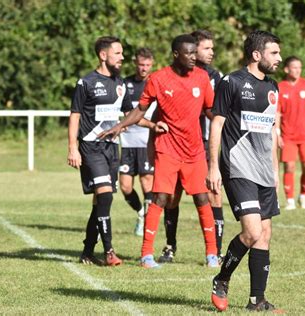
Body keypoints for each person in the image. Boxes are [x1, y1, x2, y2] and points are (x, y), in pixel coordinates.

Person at [100, 34, 218, 269]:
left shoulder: (203, 78)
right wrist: (120, 125)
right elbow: (140, 110)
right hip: (167, 149)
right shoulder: (159, 79)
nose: (195, 57)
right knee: (161, 198)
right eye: (190, 53)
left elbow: (211, 111)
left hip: (194, 151)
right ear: (176, 54)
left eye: (196, 52)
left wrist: (231, 127)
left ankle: (212, 254)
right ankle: (146, 255)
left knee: (202, 198)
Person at [207, 30, 284, 312]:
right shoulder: (233, 82)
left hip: (264, 170)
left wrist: (275, 172)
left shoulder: (273, 87)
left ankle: (257, 300)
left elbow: (271, 133)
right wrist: (213, 167)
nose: (279, 58)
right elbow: (216, 124)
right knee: (251, 232)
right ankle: (222, 278)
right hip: (238, 167)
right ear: (256, 55)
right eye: (274, 53)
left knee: (264, 234)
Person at [159, 29, 225, 265]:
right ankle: (170, 246)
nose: (211, 52)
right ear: (192, 51)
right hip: (181, 144)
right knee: (172, 196)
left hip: (209, 144)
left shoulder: (216, 76)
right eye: (207, 48)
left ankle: (215, 251)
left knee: (214, 194)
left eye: (211, 48)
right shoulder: (179, 75)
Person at [67, 36, 133, 266]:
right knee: (105, 195)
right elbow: (75, 115)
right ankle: (109, 252)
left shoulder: (120, 83)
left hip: (111, 148)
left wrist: (154, 125)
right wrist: (73, 148)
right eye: (117, 53)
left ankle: (87, 251)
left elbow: (129, 115)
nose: (122, 57)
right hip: (90, 147)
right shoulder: (86, 82)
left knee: (100, 202)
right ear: (103, 55)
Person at [276, 56, 305, 210]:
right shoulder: (280, 87)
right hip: (288, 135)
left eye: (299, 67)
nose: (297, 70)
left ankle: (303, 196)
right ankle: (289, 200)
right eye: (294, 67)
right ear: (287, 69)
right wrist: (277, 133)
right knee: (289, 167)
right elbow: (276, 113)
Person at [119, 48, 156, 236]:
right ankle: (141, 213)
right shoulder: (125, 84)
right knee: (125, 186)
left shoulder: (155, 83)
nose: (144, 69)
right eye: (141, 65)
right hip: (127, 143)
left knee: (147, 184)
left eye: (148, 65)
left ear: (152, 65)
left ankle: (147, 222)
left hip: (146, 142)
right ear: (135, 64)